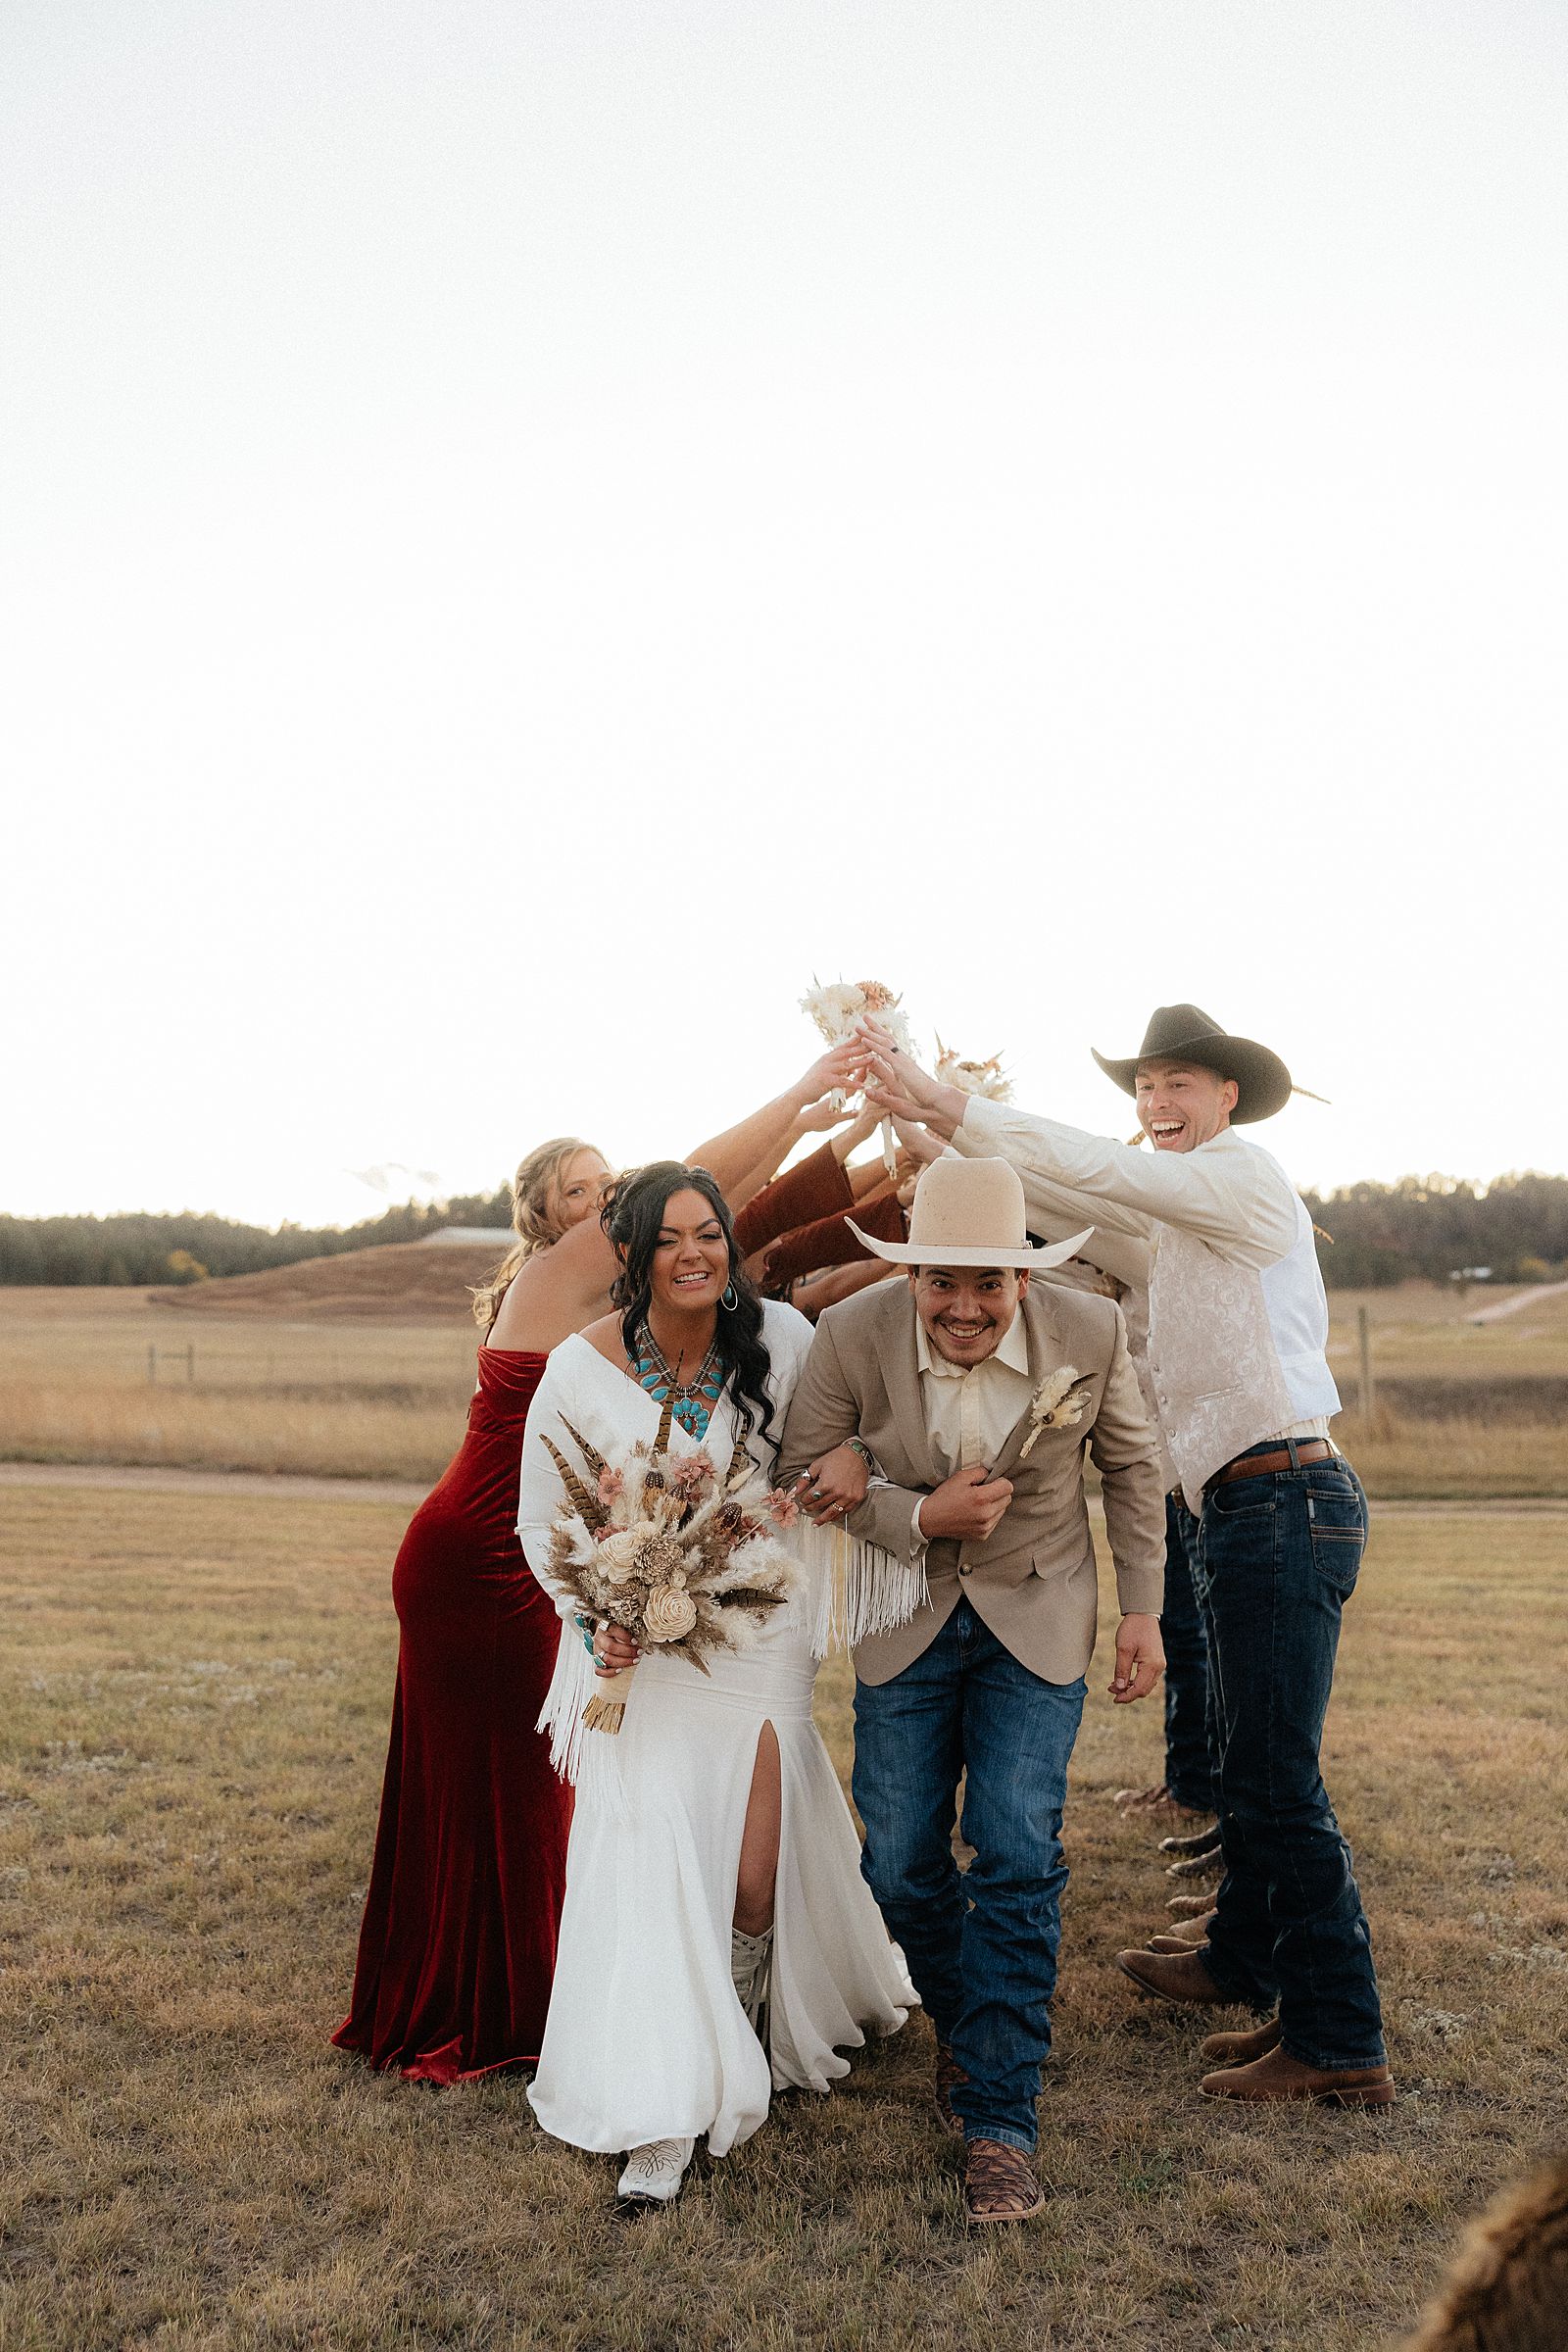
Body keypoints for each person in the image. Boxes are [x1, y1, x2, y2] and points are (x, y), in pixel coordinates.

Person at [861, 1003, 1395, 2109]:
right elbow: (1074, 1203)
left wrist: (948, 1099)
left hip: (1285, 1494)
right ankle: (1245, 1963)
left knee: (1272, 1774)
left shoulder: (1243, 1184)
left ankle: (1340, 2036)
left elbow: (1102, 1172)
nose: (1156, 1105)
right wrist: (942, 1145)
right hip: (1236, 1505)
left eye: (1179, 1086)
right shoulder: (1180, 1236)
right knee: (1243, 1754)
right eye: (1146, 1085)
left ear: (1227, 1099)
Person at [334, 1045, 865, 2082]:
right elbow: (705, 1178)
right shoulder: (554, 1282)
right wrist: (801, 1099)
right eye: (590, 1193)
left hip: (553, 1565)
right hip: (484, 1565)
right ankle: (508, 2009)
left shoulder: (633, 1311)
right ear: (557, 1222)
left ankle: (541, 1997)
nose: (611, 1199)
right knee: (529, 1792)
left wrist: (840, 1138)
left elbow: (756, 1231)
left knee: (545, 1790)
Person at [775, 1154, 1167, 2226]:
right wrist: (909, 1515)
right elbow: (803, 1467)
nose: (963, 1307)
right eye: (941, 1282)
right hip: (901, 1620)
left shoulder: (1093, 1333)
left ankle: (1000, 2117)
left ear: (1025, 1282)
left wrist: (1143, 1609)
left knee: (1015, 1846)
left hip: (1037, 1617)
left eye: (986, 1284)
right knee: (897, 1864)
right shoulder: (847, 1335)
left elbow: (1134, 1467)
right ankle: (967, 2023)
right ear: (908, 1278)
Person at [518, 1160, 914, 2209]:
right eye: (667, 1239)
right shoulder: (577, 1366)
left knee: (749, 1875)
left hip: (758, 1637)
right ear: (632, 1255)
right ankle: (663, 2106)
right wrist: (596, 1618)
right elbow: (536, 1523)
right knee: (651, 1858)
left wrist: (857, 1463)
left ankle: (742, 2025)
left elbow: (853, 1434)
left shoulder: (783, 1340)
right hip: (639, 1656)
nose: (693, 1254)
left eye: (710, 1235)